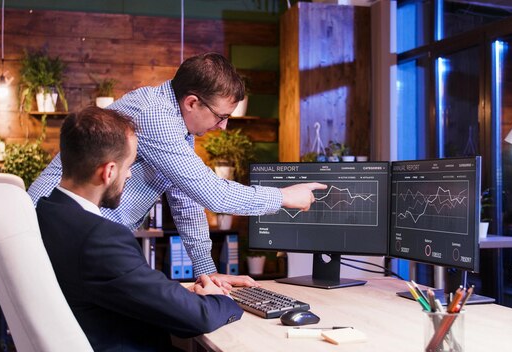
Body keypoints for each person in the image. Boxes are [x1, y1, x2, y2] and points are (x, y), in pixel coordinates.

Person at [28, 52, 326, 287]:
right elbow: (213, 195)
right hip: (53, 232)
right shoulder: (155, 116)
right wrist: (283, 197)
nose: (223, 126)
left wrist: (207, 272)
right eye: (221, 116)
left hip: (71, 233)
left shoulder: (174, 124)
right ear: (192, 102)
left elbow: (187, 200)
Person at [36, 106, 243, 351]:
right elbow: (197, 318)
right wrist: (221, 299)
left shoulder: (45, 213)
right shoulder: (100, 238)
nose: (130, 175)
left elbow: (129, 286)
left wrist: (179, 295)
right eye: (129, 165)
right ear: (109, 172)